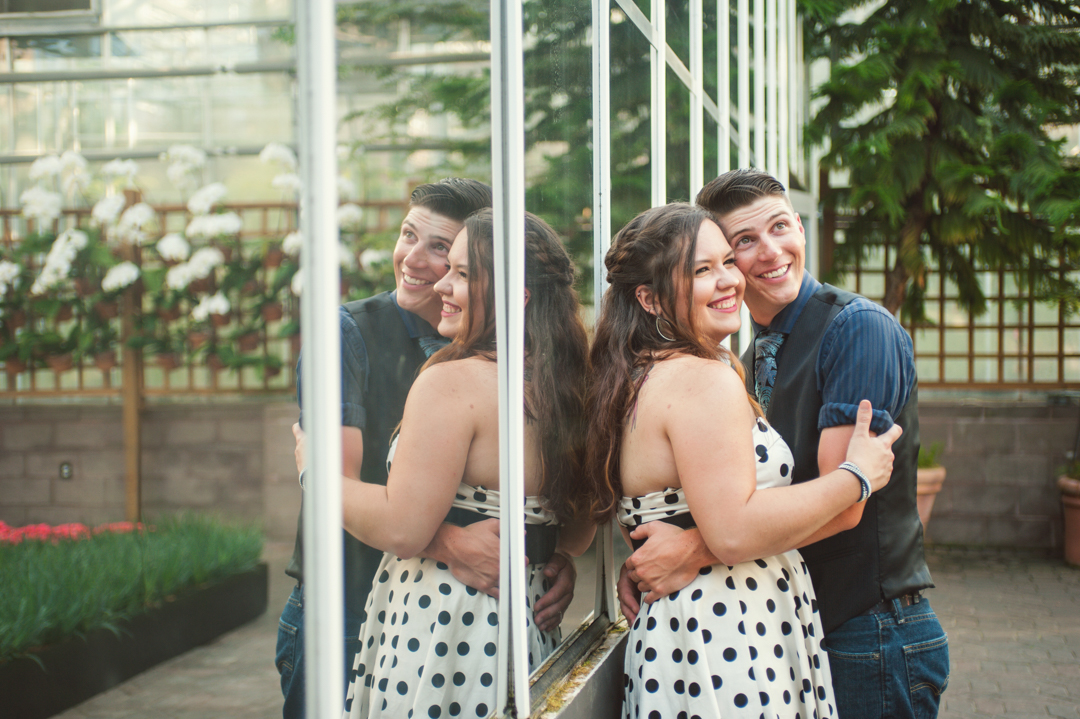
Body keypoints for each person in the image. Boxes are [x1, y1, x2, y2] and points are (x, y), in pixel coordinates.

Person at [619, 170, 949, 718]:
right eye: (743, 243)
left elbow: (845, 501)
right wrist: (648, 557)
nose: (770, 251)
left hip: (870, 633)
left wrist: (694, 549)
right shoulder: (745, 356)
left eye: (779, 227)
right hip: (800, 628)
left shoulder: (857, 328)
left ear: (800, 226)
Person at [275, 181, 578, 719]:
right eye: (408, 235)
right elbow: (350, 492)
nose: (415, 261)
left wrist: (550, 555)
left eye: (444, 252)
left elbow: (562, 510)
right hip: (349, 609)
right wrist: (453, 544)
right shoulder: (346, 335)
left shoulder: (492, 369)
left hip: (445, 620)